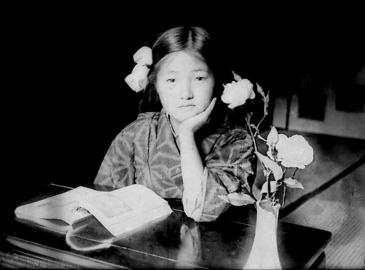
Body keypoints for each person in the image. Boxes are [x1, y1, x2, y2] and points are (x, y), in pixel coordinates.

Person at [94, 25, 256, 222]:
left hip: (211, 248)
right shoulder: (135, 135)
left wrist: (187, 134)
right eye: (171, 80)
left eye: (199, 78)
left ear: (216, 80)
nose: (185, 93)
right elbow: (103, 204)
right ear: (155, 83)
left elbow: (204, 208)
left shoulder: (236, 141)